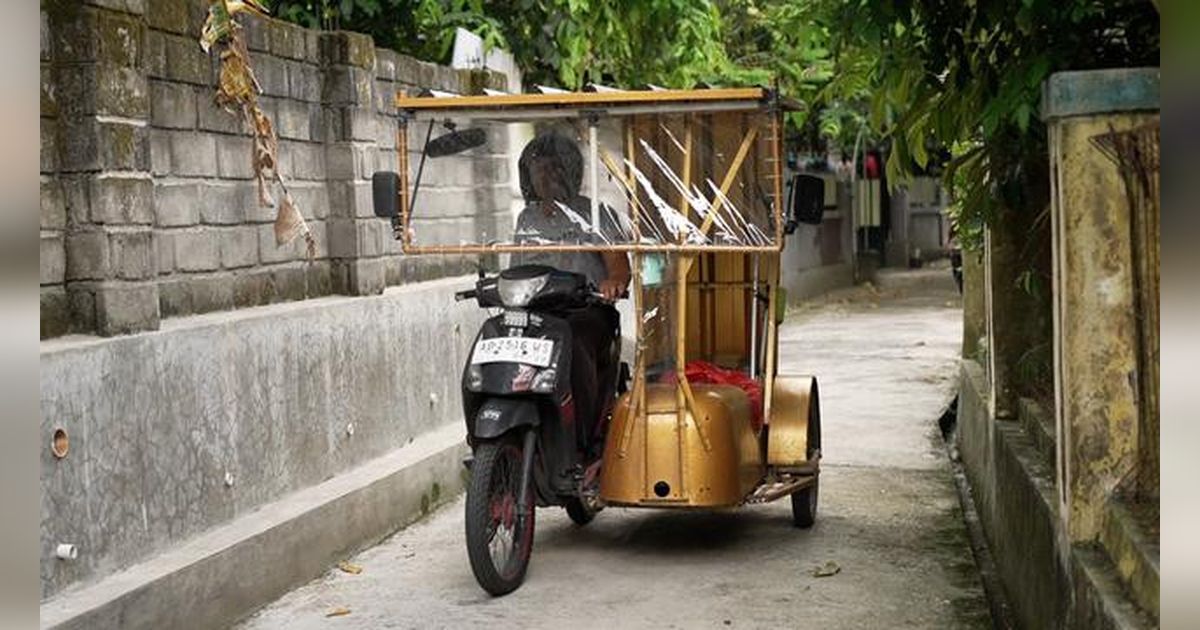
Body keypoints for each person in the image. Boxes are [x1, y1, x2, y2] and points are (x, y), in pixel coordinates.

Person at [510, 132, 631, 454]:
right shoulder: (526, 218)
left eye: (554, 168)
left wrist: (612, 283)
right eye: (538, 169)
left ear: (571, 173)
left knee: (573, 343)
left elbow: (619, 266)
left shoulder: (595, 213)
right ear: (528, 176)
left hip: (585, 312)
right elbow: (514, 270)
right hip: (536, 313)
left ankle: (584, 440)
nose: (546, 176)